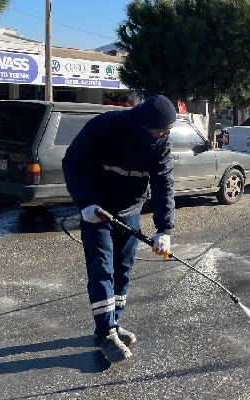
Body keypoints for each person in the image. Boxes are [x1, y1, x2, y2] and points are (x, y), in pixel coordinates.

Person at [62, 95, 177, 363]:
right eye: (162, 129)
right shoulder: (104, 127)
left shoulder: (160, 141)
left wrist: (164, 229)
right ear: (144, 123)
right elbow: (74, 163)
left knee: (123, 269)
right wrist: (87, 204)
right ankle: (105, 333)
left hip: (130, 212)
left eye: (167, 130)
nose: (165, 134)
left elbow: (164, 184)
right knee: (102, 269)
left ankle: (113, 322)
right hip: (98, 213)